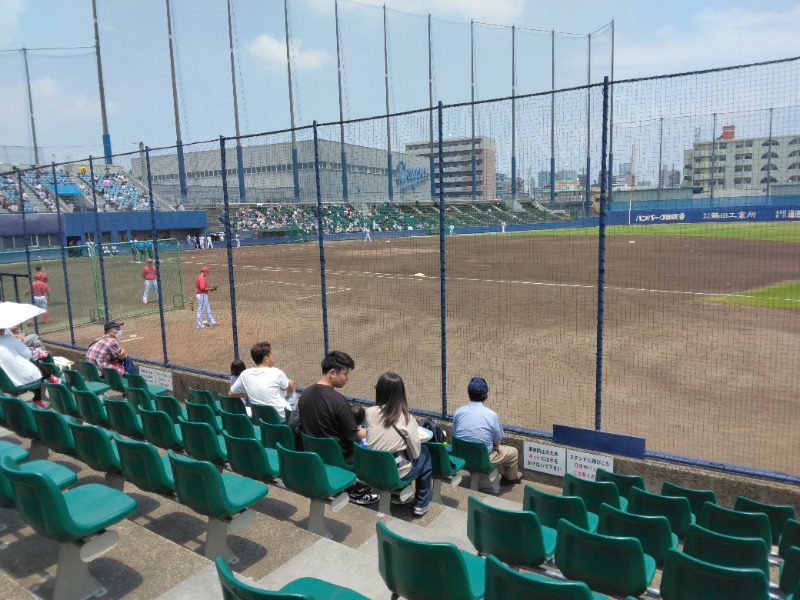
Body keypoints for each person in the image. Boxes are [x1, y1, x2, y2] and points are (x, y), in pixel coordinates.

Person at [298, 350, 378, 505]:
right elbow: (353, 434)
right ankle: (354, 486)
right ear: (333, 373)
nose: (347, 378)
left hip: (314, 453)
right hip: (340, 456)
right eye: (345, 374)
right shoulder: (338, 401)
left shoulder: (305, 394)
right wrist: (375, 430)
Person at [365, 372, 433, 516]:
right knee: (425, 452)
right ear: (401, 393)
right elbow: (416, 453)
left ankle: (398, 495)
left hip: (372, 471)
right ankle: (421, 503)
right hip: (395, 473)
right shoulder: (407, 417)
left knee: (397, 453)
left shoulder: (369, 412)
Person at [452, 377, 522, 487]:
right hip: (482, 460)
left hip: (461, 457)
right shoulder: (491, 415)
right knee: (513, 452)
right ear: (486, 396)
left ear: (468, 394)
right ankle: (509, 479)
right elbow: (497, 442)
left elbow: (455, 434)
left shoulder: (458, 412)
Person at [229, 342, 295, 421]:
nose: (272, 357)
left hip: (260, 419)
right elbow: (290, 389)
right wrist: (290, 383)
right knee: (292, 389)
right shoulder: (277, 372)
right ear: (266, 359)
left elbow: (231, 394)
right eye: (271, 355)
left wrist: (248, 394)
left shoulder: (245, 374)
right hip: (281, 418)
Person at [0, 327, 45, 406]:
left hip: (5, 383)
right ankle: (38, 401)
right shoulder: (10, 339)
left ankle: (25, 399)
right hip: (23, 379)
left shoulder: (9, 339)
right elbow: (27, 354)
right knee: (33, 369)